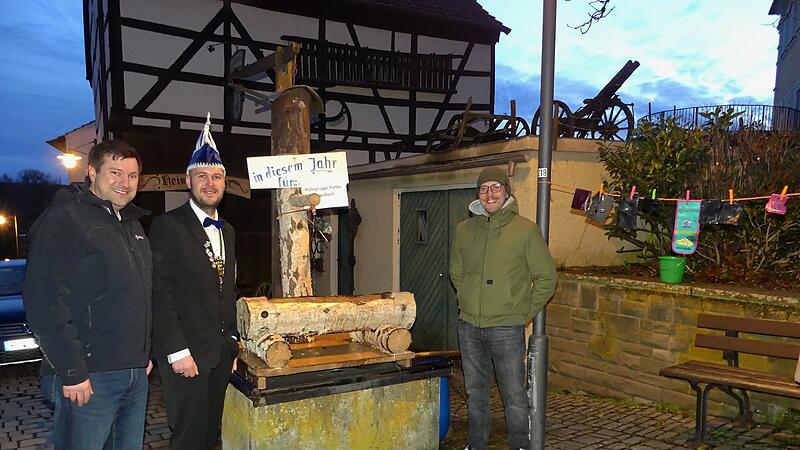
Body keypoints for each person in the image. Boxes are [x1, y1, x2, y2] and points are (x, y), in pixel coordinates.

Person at [23, 139, 153, 449]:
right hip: (90, 377)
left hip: (134, 373)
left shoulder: (133, 225)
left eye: (132, 176)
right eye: (115, 173)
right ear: (92, 172)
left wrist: (143, 355)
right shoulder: (65, 219)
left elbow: (141, 295)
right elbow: (44, 301)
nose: (125, 183)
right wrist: (71, 370)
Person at [449, 166, 558, 450]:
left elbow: (546, 278)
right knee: (475, 393)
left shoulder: (525, 230)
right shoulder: (464, 230)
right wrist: (468, 298)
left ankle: (519, 444)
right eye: (484, 188)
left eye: (496, 187)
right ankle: (476, 444)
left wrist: (522, 312)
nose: (490, 194)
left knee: (513, 394)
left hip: (507, 328)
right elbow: (456, 272)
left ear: (506, 192)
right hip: (470, 326)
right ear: (478, 194)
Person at [150, 115, 238, 450]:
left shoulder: (228, 230)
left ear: (224, 183)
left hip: (220, 353)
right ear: (188, 181)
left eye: (216, 177)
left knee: (210, 434)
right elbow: (160, 293)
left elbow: (227, 289)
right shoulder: (168, 226)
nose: (209, 183)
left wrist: (232, 341)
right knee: (187, 438)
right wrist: (177, 351)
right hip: (186, 354)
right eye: (202, 176)